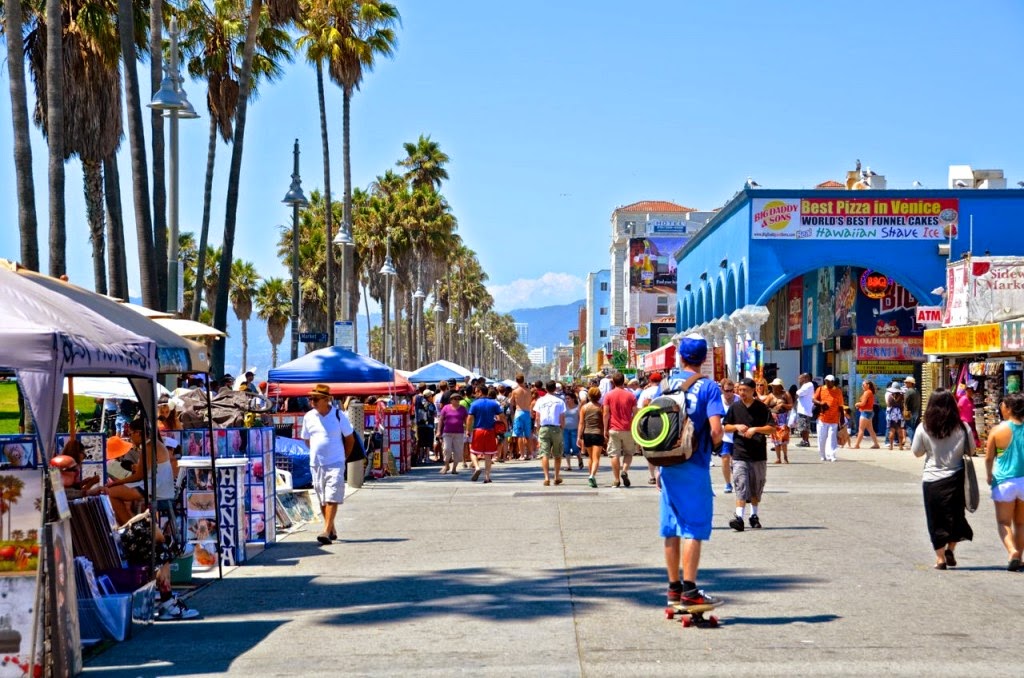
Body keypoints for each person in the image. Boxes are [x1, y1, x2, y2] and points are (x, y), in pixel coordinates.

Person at [659, 334, 724, 608]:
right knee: (693, 528)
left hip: (667, 464)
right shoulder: (709, 388)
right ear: (704, 358)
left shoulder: (665, 384)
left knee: (671, 527)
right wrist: (717, 446)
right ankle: (690, 589)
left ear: (680, 357)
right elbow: (716, 430)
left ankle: (673, 587)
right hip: (694, 464)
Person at [911, 389, 974, 569]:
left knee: (935, 518)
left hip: (932, 480)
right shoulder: (963, 427)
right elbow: (972, 451)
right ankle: (950, 549)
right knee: (955, 517)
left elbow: (917, 452)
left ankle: (940, 559)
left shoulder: (924, 427)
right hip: (955, 478)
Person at [300, 384, 355, 545]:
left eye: (315, 399)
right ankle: (331, 528)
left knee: (332, 496)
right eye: (310, 398)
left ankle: (325, 531)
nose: (312, 402)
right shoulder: (309, 417)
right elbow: (306, 439)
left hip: (335, 462)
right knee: (322, 498)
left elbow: (350, 439)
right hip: (316, 463)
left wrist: (343, 457)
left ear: (326, 399)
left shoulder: (339, 415)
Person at [723, 378, 775, 530]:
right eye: (740, 390)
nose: (741, 393)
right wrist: (736, 426)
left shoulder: (762, 408)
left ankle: (754, 515)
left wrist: (755, 429)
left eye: (745, 390)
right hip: (740, 452)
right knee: (741, 484)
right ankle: (739, 518)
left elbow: (772, 428)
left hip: (758, 453)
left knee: (755, 486)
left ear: (753, 391)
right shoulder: (734, 407)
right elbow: (726, 427)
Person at [984, 393, 1024, 571]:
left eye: (1002, 405)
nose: (1001, 408)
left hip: (1003, 481)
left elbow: (988, 457)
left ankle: (1012, 551)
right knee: (1021, 523)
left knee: (1003, 522)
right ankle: (1020, 557)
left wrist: (988, 475)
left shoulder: (997, 430)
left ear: (1009, 408)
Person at [603, 372, 637, 488]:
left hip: (614, 428)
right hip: (628, 428)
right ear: (624, 381)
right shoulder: (631, 396)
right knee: (629, 453)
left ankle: (616, 479)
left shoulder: (608, 395)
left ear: (613, 381)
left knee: (614, 454)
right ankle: (625, 471)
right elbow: (635, 413)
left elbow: (606, 414)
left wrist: (605, 429)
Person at [466, 385, 505, 483]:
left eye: (476, 391)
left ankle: (477, 467)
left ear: (479, 391)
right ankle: (487, 477)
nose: (475, 394)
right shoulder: (494, 403)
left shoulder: (474, 404)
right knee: (488, 455)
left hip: (478, 430)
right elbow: (502, 416)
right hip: (490, 431)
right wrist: (504, 426)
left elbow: (470, 418)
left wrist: (468, 430)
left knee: (473, 452)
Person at [533, 380, 566, 486]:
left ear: (546, 389)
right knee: (557, 454)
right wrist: (562, 428)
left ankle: (546, 477)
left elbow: (537, 417)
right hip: (556, 428)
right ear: (555, 389)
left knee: (544, 454)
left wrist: (538, 429)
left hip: (544, 428)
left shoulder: (540, 401)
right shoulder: (560, 401)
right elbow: (562, 418)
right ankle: (556, 476)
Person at [638, 372, 665, 484]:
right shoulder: (664, 391)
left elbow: (639, 409)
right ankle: (661, 473)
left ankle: (652, 476)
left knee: (650, 450)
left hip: (648, 423)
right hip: (663, 422)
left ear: (650, 381)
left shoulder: (646, 392)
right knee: (663, 448)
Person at [813, 375, 845, 462]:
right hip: (822, 418)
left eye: (830, 381)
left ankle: (832, 455)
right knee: (821, 437)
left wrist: (842, 419)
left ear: (833, 382)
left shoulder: (838, 391)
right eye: (826, 381)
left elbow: (841, 406)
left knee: (832, 438)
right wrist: (821, 403)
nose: (828, 382)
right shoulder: (820, 389)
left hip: (834, 419)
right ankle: (822, 454)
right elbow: (814, 399)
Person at [578, 387, 605, 488]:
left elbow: (581, 423)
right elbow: (603, 422)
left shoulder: (584, 408)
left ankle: (591, 476)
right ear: (599, 396)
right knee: (596, 458)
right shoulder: (600, 407)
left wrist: (578, 437)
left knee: (590, 457)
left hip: (587, 434)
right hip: (598, 433)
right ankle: (592, 475)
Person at [437, 395, 469, 475]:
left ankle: (454, 468)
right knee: (446, 449)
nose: (457, 400)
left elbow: (467, 420)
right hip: (447, 432)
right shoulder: (446, 408)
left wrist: (468, 430)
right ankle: (446, 465)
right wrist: (438, 431)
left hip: (459, 433)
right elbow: (441, 419)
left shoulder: (463, 409)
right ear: (451, 400)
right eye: (455, 399)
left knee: (458, 452)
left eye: (458, 399)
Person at [718, 378, 737, 493]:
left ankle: (738, 481)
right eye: (727, 390)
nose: (729, 393)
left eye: (731, 390)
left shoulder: (739, 400)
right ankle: (728, 483)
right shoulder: (717, 400)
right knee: (725, 458)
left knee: (736, 461)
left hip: (737, 435)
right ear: (722, 389)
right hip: (724, 436)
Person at [510, 374, 534, 461]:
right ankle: (529, 454)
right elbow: (530, 401)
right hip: (527, 412)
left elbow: (511, 402)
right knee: (527, 435)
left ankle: (522, 455)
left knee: (519, 435)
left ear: (516, 381)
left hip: (519, 412)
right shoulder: (528, 391)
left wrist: (512, 411)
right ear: (523, 380)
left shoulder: (515, 391)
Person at [768, 378, 792, 464]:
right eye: (773, 386)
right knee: (776, 439)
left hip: (783, 418)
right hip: (774, 419)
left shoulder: (785, 394)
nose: (774, 388)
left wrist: (783, 404)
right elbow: (764, 406)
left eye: (776, 386)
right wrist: (771, 412)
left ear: (780, 386)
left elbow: (791, 405)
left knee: (783, 439)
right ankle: (778, 458)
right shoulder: (770, 396)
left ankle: (785, 456)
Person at [853, 380, 881, 449]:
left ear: (868, 385)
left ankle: (857, 445)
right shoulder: (870, 392)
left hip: (865, 413)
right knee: (871, 430)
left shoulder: (867, 392)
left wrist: (857, 404)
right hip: (869, 412)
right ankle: (876, 444)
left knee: (861, 430)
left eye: (863, 385)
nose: (862, 386)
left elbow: (863, 403)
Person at [562, 392, 584, 472]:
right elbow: (562, 417)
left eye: (568, 398)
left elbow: (580, 419)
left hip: (575, 430)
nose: (567, 400)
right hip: (565, 430)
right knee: (566, 447)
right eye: (566, 399)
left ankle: (579, 459)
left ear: (573, 399)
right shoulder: (564, 408)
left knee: (575, 447)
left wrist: (580, 430)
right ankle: (568, 465)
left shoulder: (577, 408)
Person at [957, 381, 980, 450]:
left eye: (971, 391)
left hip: (971, 420)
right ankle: (968, 449)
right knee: (968, 436)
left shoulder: (971, 400)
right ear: (966, 391)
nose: (970, 393)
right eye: (968, 391)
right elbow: (958, 408)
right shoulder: (963, 399)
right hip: (965, 421)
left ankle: (973, 449)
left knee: (972, 436)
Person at [794, 373, 815, 448]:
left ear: (806, 378)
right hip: (803, 410)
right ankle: (804, 440)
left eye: (800, 378)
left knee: (804, 427)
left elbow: (799, 393)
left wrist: (797, 391)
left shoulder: (808, 385)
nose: (799, 380)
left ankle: (805, 441)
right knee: (802, 427)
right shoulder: (805, 385)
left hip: (805, 410)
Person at [885, 382, 907, 450]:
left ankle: (891, 446)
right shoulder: (902, 396)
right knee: (899, 430)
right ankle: (900, 446)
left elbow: (888, 405)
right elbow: (904, 405)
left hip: (892, 415)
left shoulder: (890, 396)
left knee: (892, 430)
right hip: (899, 415)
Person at [904, 376, 921, 444]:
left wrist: (905, 411)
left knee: (909, 428)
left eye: (907, 382)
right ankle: (915, 442)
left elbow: (905, 402)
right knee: (913, 427)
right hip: (916, 412)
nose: (905, 384)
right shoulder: (916, 391)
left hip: (910, 413)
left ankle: (914, 442)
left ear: (911, 383)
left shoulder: (909, 391)